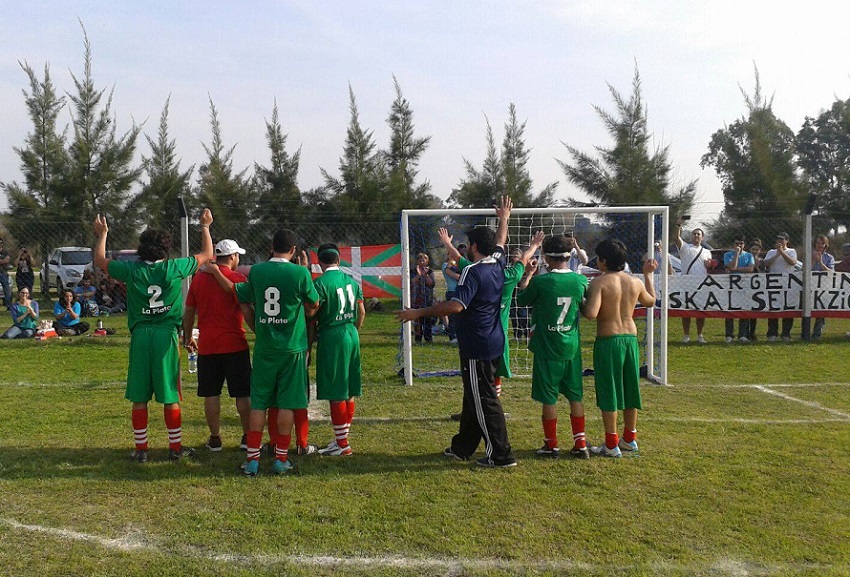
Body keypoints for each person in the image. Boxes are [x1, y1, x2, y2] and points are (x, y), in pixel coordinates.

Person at [397, 198, 516, 468]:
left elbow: (456, 306)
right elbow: (501, 240)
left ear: (473, 247)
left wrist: (418, 313)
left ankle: (501, 455)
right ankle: (463, 447)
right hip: (493, 339)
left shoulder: (472, 272)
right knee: (473, 395)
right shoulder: (497, 262)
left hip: (478, 344)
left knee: (485, 399)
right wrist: (504, 217)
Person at [93, 210, 215, 463]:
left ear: (141, 249)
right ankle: (175, 447)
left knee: (139, 395)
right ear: (166, 249)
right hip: (165, 335)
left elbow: (100, 260)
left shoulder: (131, 270)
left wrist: (103, 234)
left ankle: (141, 449)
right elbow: (207, 255)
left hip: (140, 335)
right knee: (169, 393)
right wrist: (205, 227)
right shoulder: (175, 267)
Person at [214, 229, 319, 476]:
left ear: (271, 247)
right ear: (293, 251)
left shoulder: (257, 271)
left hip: (264, 349)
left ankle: (252, 460)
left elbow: (241, 296)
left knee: (259, 404)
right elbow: (313, 303)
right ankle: (280, 459)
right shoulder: (300, 272)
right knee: (286, 404)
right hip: (292, 349)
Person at [516, 234, 590, 459]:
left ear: (546, 257)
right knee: (575, 396)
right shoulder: (580, 281)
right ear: (569, 256)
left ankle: (552, 444)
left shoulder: (541, 281)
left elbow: (522, 300)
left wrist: (528, 276)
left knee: (549, 398)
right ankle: (581, 444)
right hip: (571, 348)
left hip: (547, 347)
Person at [582, 239, 658, 457]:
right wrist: (648, 275)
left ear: (604, 261)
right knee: (630, 389)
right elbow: (651, 301)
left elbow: (591, 314)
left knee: (609, 391)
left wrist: (579, 300)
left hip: (609, 341)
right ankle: (629, 439)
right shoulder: (634, 282)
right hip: (630, 340)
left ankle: (611, 443)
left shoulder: (600, 283)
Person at [182, 239, 252, 453]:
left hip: (208, 345)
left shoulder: (198, 280)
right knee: (242, 393)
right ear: (232, 257)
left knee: (211, 393)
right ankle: (248, 437)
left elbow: (189, 312)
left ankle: (215, 438)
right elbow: (247, 307)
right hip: (234, 343)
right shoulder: (238, 278)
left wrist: (187, 337)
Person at [309, 242, 365, 456]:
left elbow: (312, 314)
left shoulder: (320, 284)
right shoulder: (351, 281)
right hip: (351, 332)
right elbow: (361, 311)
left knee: (336, 390)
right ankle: (341, 439)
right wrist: (353, 331)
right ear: (339, 260)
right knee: (349, 388)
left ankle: (343, 445)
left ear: (319, 262)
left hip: (332, 335)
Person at [675, 217, 712, 343]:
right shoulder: (685, 248)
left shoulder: (707, 252)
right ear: (691, 236)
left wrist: (709, 264)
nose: (696, 236)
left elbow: (708, 266)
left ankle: (700, 335)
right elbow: (677, 239)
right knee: (686, 311)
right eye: (694, 234)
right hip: (686, 283)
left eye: (698, 234)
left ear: (702, 237)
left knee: (700, 310)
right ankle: (686, 335)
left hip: (701, 284)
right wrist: (678, 226)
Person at [763, 232, 798, 342]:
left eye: (782, 240)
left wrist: (782, 252)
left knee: (788, 308)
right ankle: (772, 333)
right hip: (774, 284)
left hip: (788, 283)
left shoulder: (791, 251)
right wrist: (777, 254)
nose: (780, 242)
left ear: (787, 241)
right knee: (773, 308)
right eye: (778, 239)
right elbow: (767, 263)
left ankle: (786, 333)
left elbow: (792, 262)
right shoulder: (771, 252)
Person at [723, 237, 755, 343]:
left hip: (745, 286)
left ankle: (743, 334)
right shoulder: (727, 255)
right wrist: (736, 254)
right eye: (737, 243)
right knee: (729, 310)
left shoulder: (749, 255)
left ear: (744, 244)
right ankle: (729, 334)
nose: (739, 246)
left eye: (741, 244)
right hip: (731, 286)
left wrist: (734, 269)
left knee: (744, 309)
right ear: (733, 244)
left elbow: (750, 269)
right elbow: (731, 265)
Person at [811, 234, 835, 340]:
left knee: (821, 310)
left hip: (823, 287)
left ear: (826, 245)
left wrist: (820, 262)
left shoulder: (829, 258)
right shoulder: (809, 254)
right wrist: (813, 261)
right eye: (818, 243)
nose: (820, 245)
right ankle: (805, 333)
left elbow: (831, 272)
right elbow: (804, 270)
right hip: (810, 285)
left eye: (822, 243)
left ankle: (817, 334)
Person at [410, 252, 435, 343]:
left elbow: (432, 284)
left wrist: (425, 274)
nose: (422, 261)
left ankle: (428, 338)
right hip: (416, 298)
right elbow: (411, 282)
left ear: (427, 261)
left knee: (427, 319)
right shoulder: (413, 271)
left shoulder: (430, 271)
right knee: (418, 320)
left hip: (427, 298)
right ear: (417, 261)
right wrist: (419, 275)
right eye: (420, 260)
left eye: (424, 260)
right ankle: (418, 338)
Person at [441, 255, 460, 344]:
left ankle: (459, 336)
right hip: (452, 292)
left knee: (460, 316)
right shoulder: (445, 265)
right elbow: (457, 277)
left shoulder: (458, 265)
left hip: (460, 291)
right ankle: (452, 337)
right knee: (452, 316)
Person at [0, 238, 11, 311]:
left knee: (7, 289)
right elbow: (4, 261)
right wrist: (2, 261)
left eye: (0, 242)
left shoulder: (5, 252)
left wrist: (3, 261)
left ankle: (8, 305)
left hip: (3, 272)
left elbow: (7, 260)